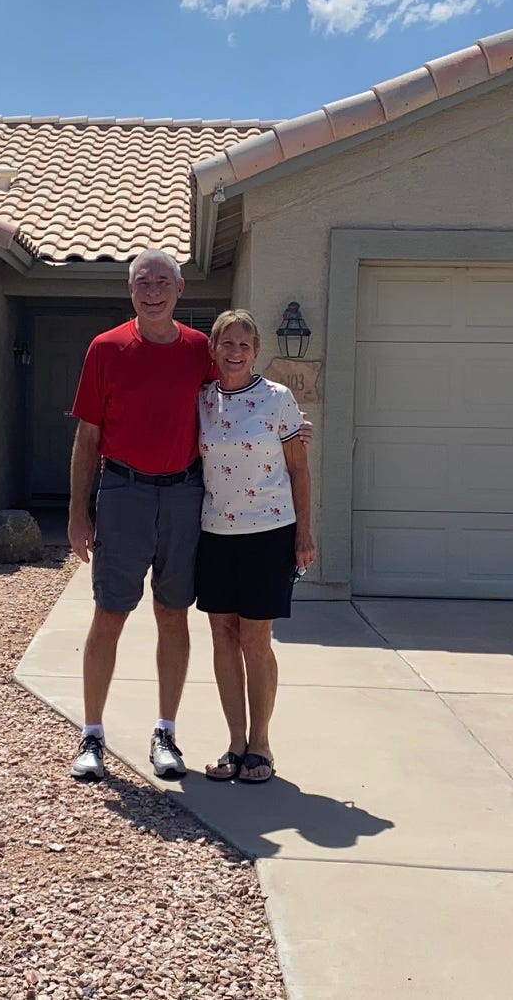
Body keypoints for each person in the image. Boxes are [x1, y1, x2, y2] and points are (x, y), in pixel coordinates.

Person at [66, 249, 211, 781]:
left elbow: (234, 411)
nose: (153, 290)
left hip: (184, 496)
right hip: (123, 493)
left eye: (163, 281)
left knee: (173, 614)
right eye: (143, 282)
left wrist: (288, 426)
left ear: (179, 290)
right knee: (110, 614)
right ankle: (92, 736)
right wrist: (78, 514)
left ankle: (166, 731)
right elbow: (88, 437)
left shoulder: (201, 351)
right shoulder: (106, 349)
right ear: (131, 291)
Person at [194, 309, 314, 785]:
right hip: (214, 534)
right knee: (222, 634)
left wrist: (304, 532)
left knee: (254, 639)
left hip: (268, 533)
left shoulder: (279, 400)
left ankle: (261, 744)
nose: (235, 352)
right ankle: (235, 743)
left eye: (244, 344)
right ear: (214, 349)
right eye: (227, 343)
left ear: (256, 351)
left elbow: (299, 470)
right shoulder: (202, 400)